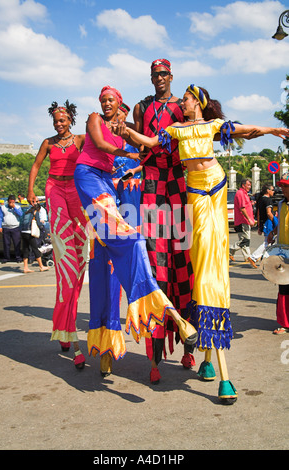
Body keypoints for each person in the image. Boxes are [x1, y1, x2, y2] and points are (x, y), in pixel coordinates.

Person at [115, 83, 289, 402]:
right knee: (202, 263)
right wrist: (126, 132)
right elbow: (151, 142)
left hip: (216, 188)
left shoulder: (212, 126)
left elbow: (244, 131)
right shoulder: (176, 129)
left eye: (186, 98)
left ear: (197, 101)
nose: (181, 102)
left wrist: (272, 129)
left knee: (211, 263)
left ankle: (215, 362)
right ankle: (208, 359)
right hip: (194, 194)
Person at [74, 85, 197, 377]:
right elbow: (101, 146)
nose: (107, 105)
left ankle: (187, 345)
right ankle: (110, 342)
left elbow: (150, 149)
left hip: (137, 199)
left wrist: (135, 151)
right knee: (111, 261)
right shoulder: (98, 124)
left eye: (112, 101)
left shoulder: (136, 136)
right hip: (104, 195)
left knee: (177, 262)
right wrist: (128, 155)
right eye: (104, 100)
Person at [132, 59, 195, 383]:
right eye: (154, 75)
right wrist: (130, 166)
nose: (159, 79)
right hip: (153, 183)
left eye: (163, 74)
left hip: (178, 183)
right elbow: (138, 146)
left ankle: (190, 347)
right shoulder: (142, 108)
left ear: (171, 76)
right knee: (157, 266)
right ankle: (155, 358)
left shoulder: (182, 107)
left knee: (183, 263)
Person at [27, 100, 89, 370]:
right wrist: (31, 190)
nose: (58, 124)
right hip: (54, 190)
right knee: (65, 264)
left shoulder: (81, 140)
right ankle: (66, 328)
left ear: (70, 120)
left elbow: (100, 149)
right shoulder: (48, 143)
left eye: (62, 120)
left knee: (82, 256)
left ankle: (64, 324)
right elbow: (36, 166)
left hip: (76, 191)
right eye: (55, 121)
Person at [112, 102, 142, 229]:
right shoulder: (106, 137)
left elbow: (147, 162)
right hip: (112, 185)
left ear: (126, 115)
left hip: (131, 186)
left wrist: (134, 170)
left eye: (117, 114)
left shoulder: (136, 136)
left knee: (132, 222)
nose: (115, 118)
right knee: (113, 223)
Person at [268, 172, 289, 335]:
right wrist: (272, 232)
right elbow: (281, 223)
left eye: (286, 186)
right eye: (282, 186)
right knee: (283, 287)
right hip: (283, 252)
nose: (283, 189)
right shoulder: (281, 204)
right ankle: (283, 323)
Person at [229, 179, 256, 267]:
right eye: (248, 185)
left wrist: (251, 204)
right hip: (243, 220)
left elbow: (245, 205)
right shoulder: (240, 193)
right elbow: (242, 208)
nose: (249, 187)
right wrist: (249, 219)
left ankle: (247, 258)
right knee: (245, 240)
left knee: (245, 240)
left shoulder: (244, 194)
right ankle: (230, 250)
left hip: (244, 220)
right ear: (243, 185)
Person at [249, 184, 277, 266]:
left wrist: (259, 225)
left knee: (270, 242)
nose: (273, 191)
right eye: (272, 190)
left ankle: (263, 257)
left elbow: (258, 213)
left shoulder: (260, 199)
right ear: (268, 190)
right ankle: (254, 257)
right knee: (267, 242)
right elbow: (269, 213)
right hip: (268, 223)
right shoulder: (268, 200)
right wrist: (275, 221)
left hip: (263, 222)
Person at [20, 203, 49, 273]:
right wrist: (42, 227)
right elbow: (39, 223)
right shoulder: (35, 213)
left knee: (26, 249)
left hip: (23, 232)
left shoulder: (26, 212)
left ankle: (25, 267)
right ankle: (41, 266)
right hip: (30, 233)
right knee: (35, 248)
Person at [0, 195, 23, 263]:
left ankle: (18, 258)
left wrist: (14, 208)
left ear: (14, 201)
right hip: (6, 228)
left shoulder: (17, 207)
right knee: (6, 244)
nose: (11, 204)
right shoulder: (3, 207)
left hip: (15, 228)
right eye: (10, 202)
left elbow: (20, 214)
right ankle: (6, 258)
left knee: (17, 244)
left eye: (12, 202)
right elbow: (0, 217)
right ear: (8, 201)